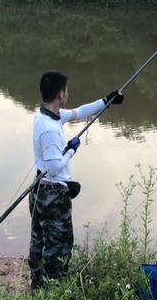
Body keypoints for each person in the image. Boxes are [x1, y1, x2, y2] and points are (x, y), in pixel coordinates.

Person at [28, 70, 124, 289]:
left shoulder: (45, 115)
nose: (67, 93)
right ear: (61, 94)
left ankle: (37, 284)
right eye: (66, 90)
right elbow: (54, 166)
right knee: (59, 245)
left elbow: (79, 112)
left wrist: (106, 101)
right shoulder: (50, 130)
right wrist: (71, 150)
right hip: (53, 194)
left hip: (39, 190)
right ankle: (53, 286)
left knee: (39, 238)